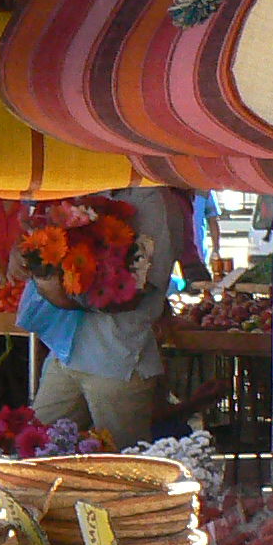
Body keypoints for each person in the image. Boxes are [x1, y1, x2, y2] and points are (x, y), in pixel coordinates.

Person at [26, 183, 186, 444]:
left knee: (122, 464)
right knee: (39, 450)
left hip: (117, 358)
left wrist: (65, 297)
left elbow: (137, 291)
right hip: (68, 352)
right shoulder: (89, 190)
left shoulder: (152, 201)